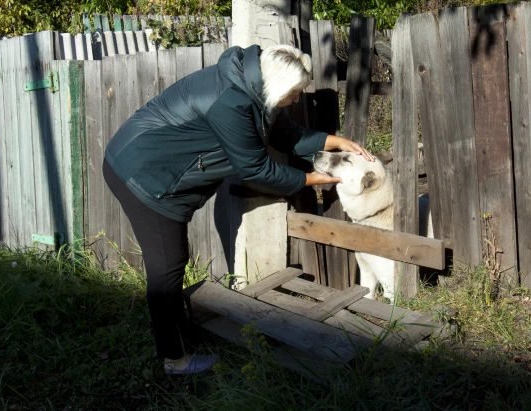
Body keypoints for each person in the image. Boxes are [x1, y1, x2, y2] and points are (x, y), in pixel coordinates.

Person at [103, 43, 374, 375]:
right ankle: (175, 359)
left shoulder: (254, 88)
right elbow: (255, 169)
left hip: (154, 166)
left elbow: (285, 135)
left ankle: (177, 337)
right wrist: (312, 179)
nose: (296, 99)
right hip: (143, 174)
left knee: (171, 262)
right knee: (167, 266)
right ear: (276, 85)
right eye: (294, 93)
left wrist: (334, 142)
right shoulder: (231, 102)